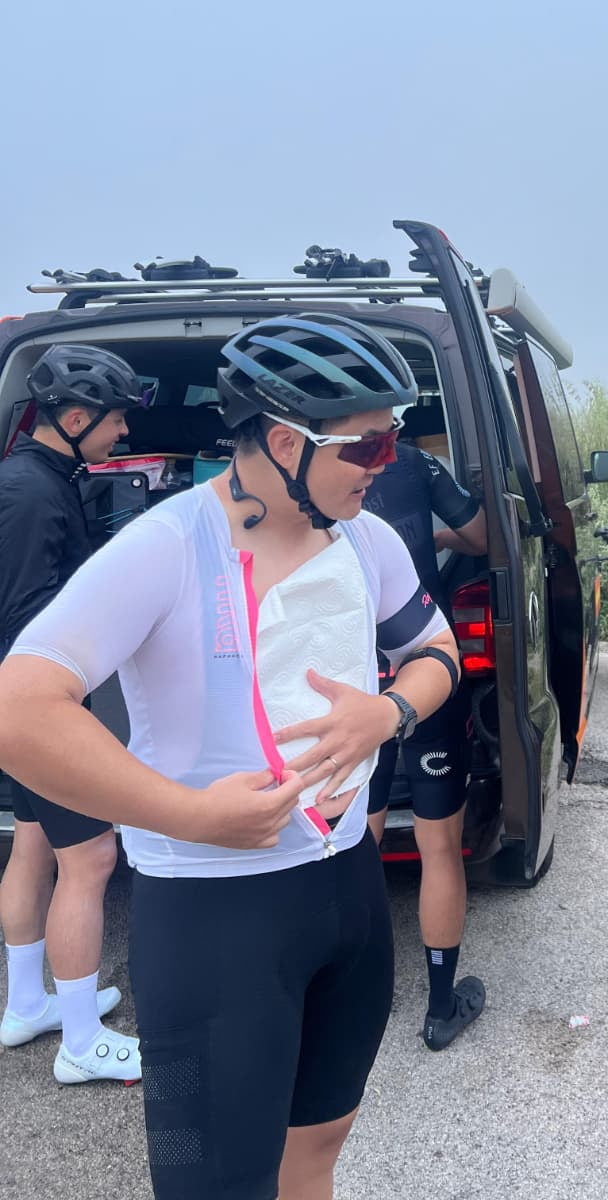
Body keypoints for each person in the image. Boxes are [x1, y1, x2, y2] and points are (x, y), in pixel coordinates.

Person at [0, 313, 458, 1200]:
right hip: (212, 921)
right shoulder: (166, 546)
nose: (389, 464)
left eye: (393, 441)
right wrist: (191, 814)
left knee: (316, 1153)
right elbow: (20, 708)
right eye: (368, 448)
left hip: (346, 891)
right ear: (286, 442)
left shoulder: (367, 540)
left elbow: (434, 652)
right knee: (214, 1187)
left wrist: (388, 712)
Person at [0, 344, 146, 1083]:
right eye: (116, 417)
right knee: (90, 860)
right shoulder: (30, 494)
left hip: (22, 709)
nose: (122, 431)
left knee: (32, 846)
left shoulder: (46, 480)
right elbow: (26, 615)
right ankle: (83, 1043)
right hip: (39, 707)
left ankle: (28, 1004)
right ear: (78, 415)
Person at [362, 433, 488, 1050]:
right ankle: (441, 1009)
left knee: (352, 848)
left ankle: (347, 1007)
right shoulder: (415, 461)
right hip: (426, 671)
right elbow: (488, 536)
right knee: (439, 847)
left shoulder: (295, 472)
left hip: (349, 685)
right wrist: (438, 538)